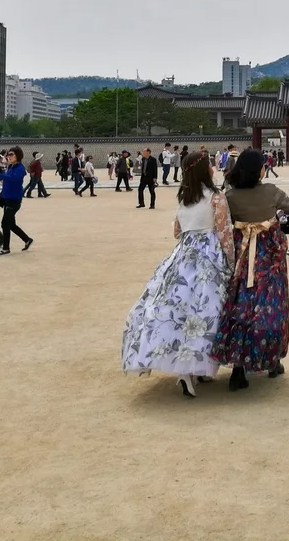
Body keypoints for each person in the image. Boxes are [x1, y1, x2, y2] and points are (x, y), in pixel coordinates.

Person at [123, 150, 236, 397]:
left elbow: (176, 231)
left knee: (178, 309)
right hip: (208, 253)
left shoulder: (184, 198)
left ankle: (186, 372)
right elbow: (224, 232)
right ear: (204, 170)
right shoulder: (216, 197)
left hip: (183, 254)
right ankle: (199, 366)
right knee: (207, 310)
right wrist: (230, 261)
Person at [214, 149, 289, 391]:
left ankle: (238, 367)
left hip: (242, 256)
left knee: (241, 305)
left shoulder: (230, 196)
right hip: (269, 257)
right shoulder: (270, 192)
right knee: (270, 306)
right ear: (260, 170)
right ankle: (271, 360)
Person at [0, 147, 34, 256]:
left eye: (11, 154)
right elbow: (6, 185)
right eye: (8, 154)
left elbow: (13, 179)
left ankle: (6, 248)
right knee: (11, 224)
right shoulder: (11, 167)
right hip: (7, 199)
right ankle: (27, 239)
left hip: (14, 200)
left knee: (5, 223)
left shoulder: (20, 168)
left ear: (18, 155)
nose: (9, 156)